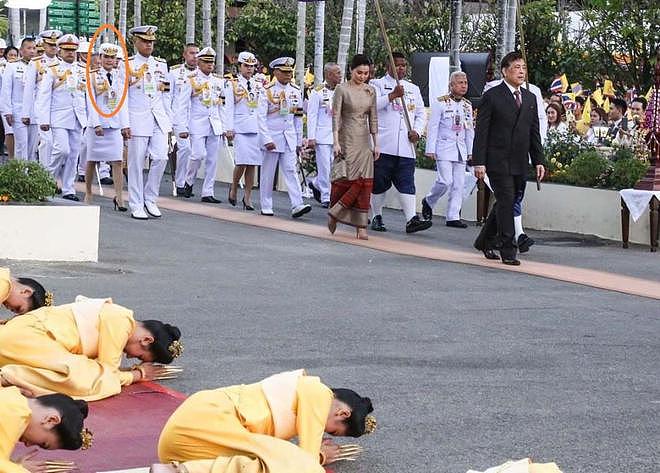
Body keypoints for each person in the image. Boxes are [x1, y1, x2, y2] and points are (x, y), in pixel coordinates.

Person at [156, 369, 375, 473]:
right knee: (305, 469)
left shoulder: (300, 393)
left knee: (266, 465)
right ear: (342, 414)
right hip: (211, 417)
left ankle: (182, 471)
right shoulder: (317, 392)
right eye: (334, 432)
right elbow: (305, 460)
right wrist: (319, 456)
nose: (325, 432)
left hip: (182, 447)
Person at [0, 296, 182, 401]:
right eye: (140, 356)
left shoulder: (117, 316)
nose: (130, 357)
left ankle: (15, 376)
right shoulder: (121, 320)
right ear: (146, 340)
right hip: (29, 338)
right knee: (97, 382)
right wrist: (136, 375)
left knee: (88, 373)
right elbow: (106, 374)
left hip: (24, 339)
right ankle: (11, 376)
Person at [472, 51, 545, 266]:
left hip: (519, 161)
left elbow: (534, 133)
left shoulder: (530, 98)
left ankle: (485, 240)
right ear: (505, 71)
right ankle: (508, 248)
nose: (521, 71)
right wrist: (479, 161)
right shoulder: (492, 96)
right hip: (496, 160)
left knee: (509, 201)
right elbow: (482, 132)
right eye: (516, 67)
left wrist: (539, 160)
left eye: (523, 67)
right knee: (505, 200)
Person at [369, 53, 431, 234]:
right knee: (379, 183)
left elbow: (421, 113)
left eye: (404, 65)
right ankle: (376, 216)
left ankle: (411, 219)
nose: (401, 68)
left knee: (406, 182)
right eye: (397, 65)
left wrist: (417, 132)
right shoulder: (376, 84)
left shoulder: (413, 88)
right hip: (384, 144)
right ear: (388, 65)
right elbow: (371, 106)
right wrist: (391, 96)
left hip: (405, 145)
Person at [326, 55, 378, 240]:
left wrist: (376, 143)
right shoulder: (341, 89)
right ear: (351, 70)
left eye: (366, 73)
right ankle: (335, 213)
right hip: (346, 138)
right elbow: (336, 116)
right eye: (359, 72)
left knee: (364, 183)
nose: (363, 76)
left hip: (364, 141)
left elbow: (373, 118)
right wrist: (336, 141)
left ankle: (361, 227)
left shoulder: (371, 91)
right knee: (345, 181)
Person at [125, 25, 172, 220]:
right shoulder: (127, 64)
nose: (149, 44)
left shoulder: (161, 64)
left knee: (161, 157)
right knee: (136, 163)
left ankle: (150, 198)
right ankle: (136, 203)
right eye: (145, 41)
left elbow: (167, 94)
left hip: (158, 117)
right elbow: (123, 96)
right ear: (135, 42)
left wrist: (170, 123)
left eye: (151, 41)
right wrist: (124, 123)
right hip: (137, 118)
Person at [35, 34, 88, 202]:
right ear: (59, 50)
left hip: (78, 117)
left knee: (73, 154)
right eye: (67, 50)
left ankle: (68, 188)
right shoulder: (52, 68)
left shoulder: (82, 69)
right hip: (58, 116)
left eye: (73, 50)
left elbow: (86, 95)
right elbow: (44, 96)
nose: (70, 53)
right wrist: (43, 120)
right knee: (61, 149)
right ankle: (46, 180)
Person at [257, 57, 311, 218]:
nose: (288, 75)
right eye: (285, 72)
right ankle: (266, 204)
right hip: (272, 138)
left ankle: (297, 204)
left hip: (289, 137)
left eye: (290, 72)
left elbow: (298, 118)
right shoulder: (267, 90)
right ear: (276, 72)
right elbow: (261, 117)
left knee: (290, 170)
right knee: (268, 172)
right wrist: (266, 139)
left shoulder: (295, 90)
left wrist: (299, 139)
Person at [421, 71, 474, 228]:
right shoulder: (441, 102)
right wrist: (430, 148)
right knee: (445, 181)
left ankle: (453, 216)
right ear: (451, 85)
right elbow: (433, 126)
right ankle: (429, 200)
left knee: (459, 183)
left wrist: (471, 151)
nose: (464, 85)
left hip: (460, 148)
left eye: (465, 82)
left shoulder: (467, 105)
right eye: (460, 83)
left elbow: (469, 129)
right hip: (444, 147)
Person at [0, 387, 91, 473]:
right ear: (51, 420)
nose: (27, 445)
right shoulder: (13, 414)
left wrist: (11, 464)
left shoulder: (12, 397)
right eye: (43, 443)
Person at [175, 47, 225, 203]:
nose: (210, 65)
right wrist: (182, 127)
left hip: (214, 123)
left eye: (212, 62)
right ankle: (189, 180)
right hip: (197, 123)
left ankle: (207, 192)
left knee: (212, 159)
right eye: (206, 62)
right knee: (197, 154)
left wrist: (225, 127)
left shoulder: (218, 81)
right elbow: (182, 105)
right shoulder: (191, 79)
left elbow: (222, 105)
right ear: (199, 62)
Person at [85, 43, 130, 209]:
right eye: (107, 57)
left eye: (113, 57)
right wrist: (96, 123)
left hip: (115, 124)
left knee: (118, 161)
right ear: (100, 58)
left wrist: (125, 125)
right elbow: (91, 101)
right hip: (98, 124)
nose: (110, 60)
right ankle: (89, 193)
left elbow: (123, 102)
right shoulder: (92, 75)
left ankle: (119, 197)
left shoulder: (120, 76)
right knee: (92, 160)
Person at [225, 51, 261, 210]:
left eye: (252, 66)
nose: (249, 69)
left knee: (252, 164)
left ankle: (247, 197)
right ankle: (234, 186)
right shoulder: (231, 83)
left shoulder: (259, 83)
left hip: (255, 126)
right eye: (246, 66)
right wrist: (229, 128)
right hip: (239, 127)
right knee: (241, 162)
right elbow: (228, 108)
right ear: (239, 66)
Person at [22, 30, 62, 164]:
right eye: (50, 45)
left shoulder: (62, 63)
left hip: (58, 109)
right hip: (41, 108)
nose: (53, 47)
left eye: (55, 45)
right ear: (44, 45)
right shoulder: (36, 62)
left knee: (58, 144)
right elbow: (28, 89)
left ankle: (53, 174)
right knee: (47, 142)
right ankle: (44, 174)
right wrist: (26, 113)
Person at [307, 63, 342, 208]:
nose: (340, 75)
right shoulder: (318, 92)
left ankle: (315, 183)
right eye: (337, 73)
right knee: (324, 167)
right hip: (322, 135)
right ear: (328, 75)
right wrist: (311, 137)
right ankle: (326, 197)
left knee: (335, 167)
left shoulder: (342, 90)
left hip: (338, 136)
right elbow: (312, 115)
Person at [168, 43, 199, 197]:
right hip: (178, 117)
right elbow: (168, 96)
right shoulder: (174, 73)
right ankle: (180, 183)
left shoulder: (203, 74)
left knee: (197, 153)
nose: (195, 56)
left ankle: (189, 181)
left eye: (196, 53)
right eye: (191, 53)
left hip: (196, 118)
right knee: (185, 149)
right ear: (184, 55)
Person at [1, 37, 37, 160]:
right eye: (29, 48)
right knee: (21, 145)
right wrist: (7, 111)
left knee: (32, 147)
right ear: (21, 51)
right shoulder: (12, 66)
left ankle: (32, 174)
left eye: (34, 48)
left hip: (35, 111)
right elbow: (6, 90)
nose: (32, 51)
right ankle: (21, 175)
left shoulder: (40, 67)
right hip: (18, 110)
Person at [1, 46, 19, 159]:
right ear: (6, 56)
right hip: (4, 102)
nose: (13, 57)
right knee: (9, 131)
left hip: (17, 104)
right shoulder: (3, 67)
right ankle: (12, 157)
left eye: (15, 55)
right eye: (10, 55)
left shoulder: (19, 67)